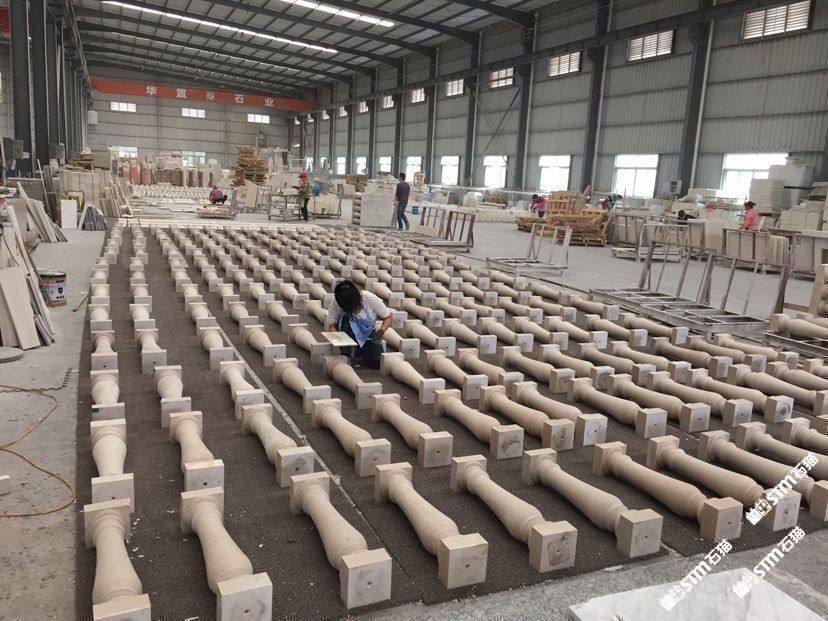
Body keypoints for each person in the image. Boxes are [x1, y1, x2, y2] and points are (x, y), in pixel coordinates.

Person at [327, 280, 393, 368]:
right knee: (346, 321)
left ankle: (359, 349)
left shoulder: (370, 299)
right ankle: (346, 352)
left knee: (377, 363)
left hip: (366, 333)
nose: (354, 310)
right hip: (347, 332)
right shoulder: (335, 303)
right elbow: (332, 326)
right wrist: (338, 339)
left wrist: (381, 331)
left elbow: (388, 317)